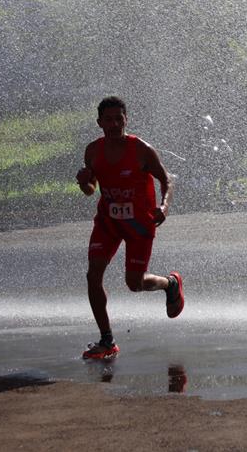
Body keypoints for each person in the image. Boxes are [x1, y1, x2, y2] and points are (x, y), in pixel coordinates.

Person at [75, 96, 183, 360]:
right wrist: (83, 183)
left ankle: (170, 283)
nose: (114, 124)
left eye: (118, 119)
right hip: (108, 222)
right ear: (99, 123)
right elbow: (91, 190)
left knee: (134, 284)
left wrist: (164, 207)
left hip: (139, 224)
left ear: (126, 119)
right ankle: (107, 340)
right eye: (108, 120)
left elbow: (166, 180)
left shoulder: (141, 150)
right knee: (93, 275)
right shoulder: (92, 151)